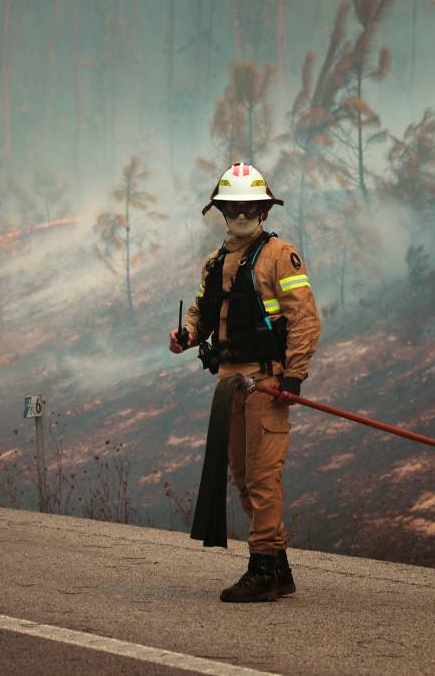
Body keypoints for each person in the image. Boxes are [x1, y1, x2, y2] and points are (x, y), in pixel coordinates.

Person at [169, 162, 321, 602]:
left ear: (263, 210)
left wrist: (294, 376)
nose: (240, 214)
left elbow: (305, 319)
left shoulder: (280, 256)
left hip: (266, 383)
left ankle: (263, 569)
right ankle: (280, 568)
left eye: (249, 206)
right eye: (232, 207)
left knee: (262, 478)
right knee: (242, 477)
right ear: (221, 211)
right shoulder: (215, 262)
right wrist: (187, 335)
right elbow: (202, 310)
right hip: (229, 386)